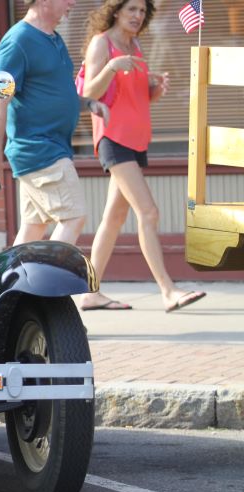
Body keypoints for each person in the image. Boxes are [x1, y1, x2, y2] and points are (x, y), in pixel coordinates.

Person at [77, 0, 206, 312]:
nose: (138, 16)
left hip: (135, 139)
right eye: (132, 9)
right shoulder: (102, 43)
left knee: (114, 219)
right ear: (116, 11)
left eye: (142, 11)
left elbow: (136, 97)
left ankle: (90, 292)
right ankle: (168, 290)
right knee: (148, 212)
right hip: (113, 138)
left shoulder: (134, 45)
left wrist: (155, 89)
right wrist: (111, 66)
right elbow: (88, 94)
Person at [0, 0, 110, 246]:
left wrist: (88, 103)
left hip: (50, 147)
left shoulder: (54, 38)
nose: (73, 2)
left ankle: (13, 273)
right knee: (73, 217)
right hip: (39, 149)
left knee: (33, 227)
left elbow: (55, 92)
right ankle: (50, 272)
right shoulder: (17, 41)